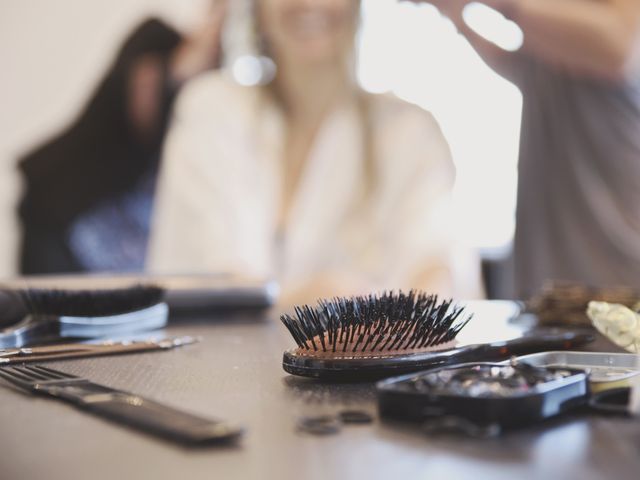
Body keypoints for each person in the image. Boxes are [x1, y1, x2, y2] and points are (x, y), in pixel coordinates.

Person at [148, 0, 479, 303]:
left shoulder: (408, 130)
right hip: (218, 364)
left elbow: (436, 268)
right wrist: (315, 300)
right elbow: (208, 281)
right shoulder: (212, 111)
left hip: (373, 367)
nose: (307, 3)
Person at [421, 0, 640, 298]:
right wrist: (455, 14)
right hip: (548, 233)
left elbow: (618, 48)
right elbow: (522, 68)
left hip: (611, 231)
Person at [17, 2, 227, 274]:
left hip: (130, 246)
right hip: (65, 213)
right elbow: (141, 110)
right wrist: (202, 49)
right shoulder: (156, 38)